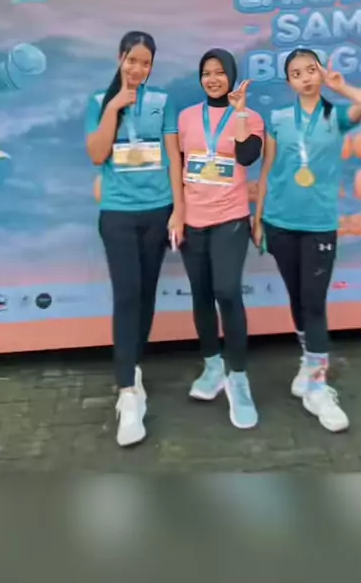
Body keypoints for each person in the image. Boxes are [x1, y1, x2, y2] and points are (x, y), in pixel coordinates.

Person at [253, 48, 361, 433]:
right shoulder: (277, 119)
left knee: (314, 301)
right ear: (289, 81)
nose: (306, 77)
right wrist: (257, 218)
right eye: (297, 73)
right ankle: (308, 366)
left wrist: (341, 87)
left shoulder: (335, 116)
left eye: (311, 70)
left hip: (318, 225)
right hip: (279, 222)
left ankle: (318, 386)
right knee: (297, 298)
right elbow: (267, 170)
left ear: (320, 74)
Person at [85, 31, 184, 447]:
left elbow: (174, 157)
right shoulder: (99, 101)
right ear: (120, 58)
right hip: (118, 214)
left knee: (144, 295)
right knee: (126, 295)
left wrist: (179, 210)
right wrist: (114, 108)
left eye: (145, 63)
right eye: (132, 60)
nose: (138, 69)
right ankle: (127, 393)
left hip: (158, 211)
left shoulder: (162, 101)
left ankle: (134, 367)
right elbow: (96, 153)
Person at [179, 49, 264, 429]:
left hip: (230, 218)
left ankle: (239, 378)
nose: (213, 79)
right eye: (206, 73)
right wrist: (177, 214)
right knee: (200, 295)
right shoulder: (186, 117)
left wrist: (240, 111)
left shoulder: (251, 117)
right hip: (193, 220)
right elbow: (178, 166)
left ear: (231, 75)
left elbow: (246, 157)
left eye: (219, 72)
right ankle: (213, 367)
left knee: (227, 292)